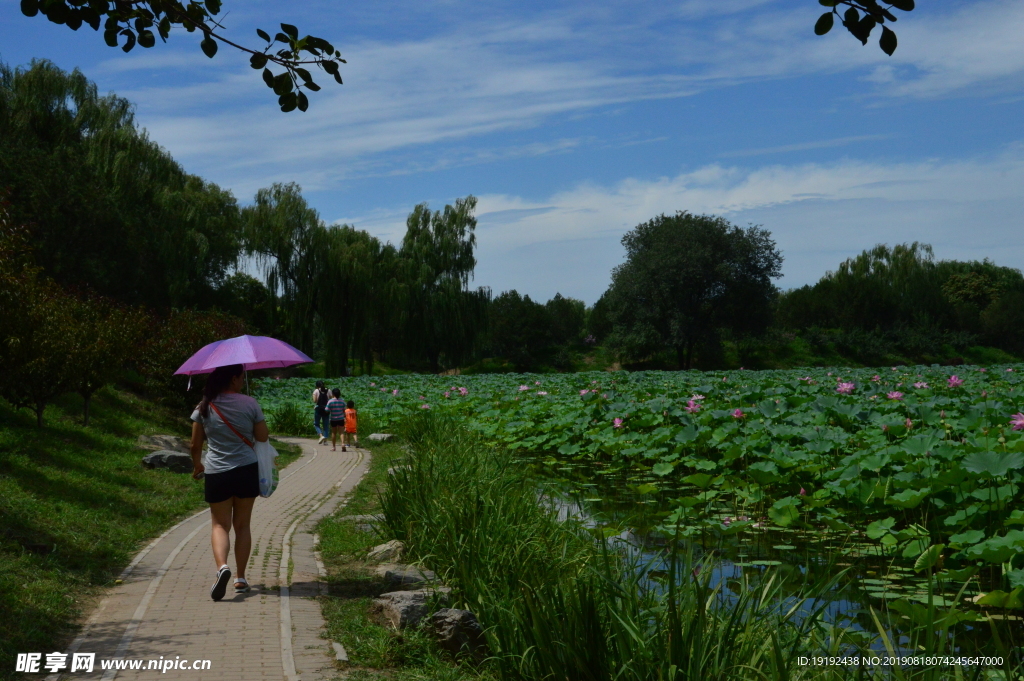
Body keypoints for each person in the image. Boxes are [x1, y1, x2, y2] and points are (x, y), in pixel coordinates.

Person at [189, 364, 269, 601]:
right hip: (246, 469)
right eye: (241, 377)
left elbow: (195, 444)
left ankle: (222, 567)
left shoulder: (204, 406)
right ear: (234, 379)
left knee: (219, 526)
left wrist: (197, 465)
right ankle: (241, 578)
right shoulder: (250, 403)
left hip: (217, 472)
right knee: (242, 525)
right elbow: (263, 436)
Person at [312, 380, 330, 445]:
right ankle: (325, 441)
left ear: (317, 386)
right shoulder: (328, 390)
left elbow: (314, 400)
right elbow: (330, 399)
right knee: (326, 425)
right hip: (326, 409)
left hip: (318, 409)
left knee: (316, 424)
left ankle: (321, 436)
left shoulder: (316, 391)